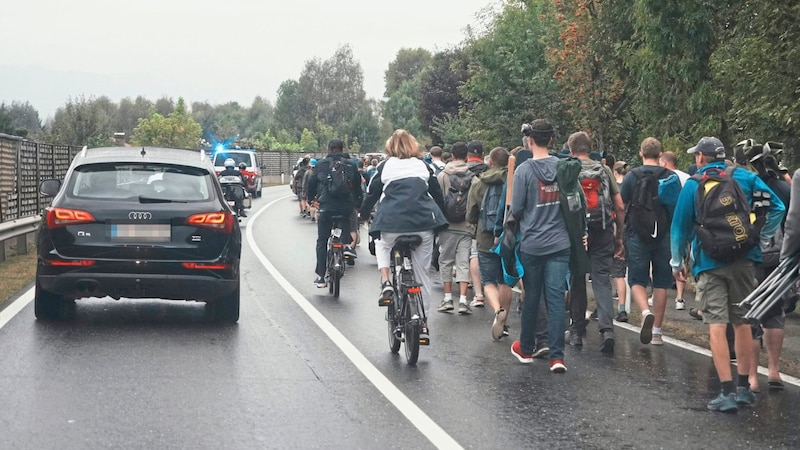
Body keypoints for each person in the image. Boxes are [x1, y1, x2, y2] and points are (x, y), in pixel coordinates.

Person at [671, 136, 784, 412]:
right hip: (745, 260)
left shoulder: (693, 184)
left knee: (716, 326)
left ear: (701, 157)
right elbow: (777, 207)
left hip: (709, 263)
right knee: (743, 323)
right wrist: (759, 237)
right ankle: (744, 388)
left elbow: (680, 228)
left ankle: (726, 392)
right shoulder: (745, 177)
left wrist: (677, 262)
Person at [360, 129, 448, 334]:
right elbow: (437, 194)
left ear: (390, 146)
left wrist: (363, 214)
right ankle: (423, 322)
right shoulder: (423, 166)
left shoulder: (384, 166)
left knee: (382, 244)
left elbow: (372, 194)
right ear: (413, 145)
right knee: (422, 275)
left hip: (392, 222)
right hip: (423, 223)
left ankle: (386, 281)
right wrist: (442, 217)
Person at [509, 119, 571, 373]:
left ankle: (525, 348)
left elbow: (517, 208)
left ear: (530, 140)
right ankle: (557, 357)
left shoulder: (524, 171)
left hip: (532, 244)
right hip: (560, 243)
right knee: (556, 299)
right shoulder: (564, 168)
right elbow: (573, 204)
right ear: (552, 140)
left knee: (532, 296)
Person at [565, 131, 625, 353]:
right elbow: (619, 205)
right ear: (590, 149)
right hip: (603, 230)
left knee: (577, 278)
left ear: (571, 150)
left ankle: (576, 331)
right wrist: (619, 236)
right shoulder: (605, 170)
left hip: (579, 232)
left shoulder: (569, 168)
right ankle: (607, 329)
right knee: (601, 279)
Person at [620, 137, 680, 346]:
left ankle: (645, 311)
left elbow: (623, 203)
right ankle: (657, 332)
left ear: (641, 153)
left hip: (637, 233)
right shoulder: (671, 177)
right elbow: (676, 208)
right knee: (662, 282)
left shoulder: (631, 176)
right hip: (663, 235)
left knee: (637, 280)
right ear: (660, 154)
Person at [306, 139, 362, 288]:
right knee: (345, 223)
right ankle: (347, 246)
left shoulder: (321, 165)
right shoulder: (351, 164)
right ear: (343, 149)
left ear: (328, 149)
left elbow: (311, 184)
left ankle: (321, 276)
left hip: (326, 207)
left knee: (322, 240)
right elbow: (358, 186)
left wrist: (311, 199)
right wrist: (357, 204)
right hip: (345, 207)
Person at [437, 142, 476, 315]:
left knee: (445, 261)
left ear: (452, 155)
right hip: (466, 226)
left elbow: (437, 200)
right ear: (466, 156)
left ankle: (447, 299)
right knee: (463, 263)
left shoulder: (443, 176)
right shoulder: (473, 177)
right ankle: (462, 300)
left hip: (447, 225)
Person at [659, 151, 691, 311]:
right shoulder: (687, 178)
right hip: (684, 222)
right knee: (681, 258)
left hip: (664, 224)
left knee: (659, 259)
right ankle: (680, 298)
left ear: (664, 162)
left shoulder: (663, 177)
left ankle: (657, 293)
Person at [466, 140, 488, 306]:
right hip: (488, 216)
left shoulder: (463, 170)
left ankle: (477, 292)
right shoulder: (489, 171)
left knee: (473, 255)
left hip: (467, 216)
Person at [611, 161, 629, 322]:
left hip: (614, 231)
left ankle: (605, 308)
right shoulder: (630, 186)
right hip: (629, 231)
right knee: (620, 273)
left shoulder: (613, 188)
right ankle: (622, 308)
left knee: (607, 273)